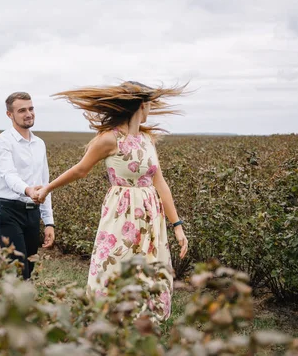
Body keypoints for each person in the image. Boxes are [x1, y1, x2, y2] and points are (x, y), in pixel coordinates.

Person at [32, 81, 188, 321]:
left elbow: (161, 183)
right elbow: (80, 170)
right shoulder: (109, 139)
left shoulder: (148, 140)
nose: (150, 111)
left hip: (150, 215)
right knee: (114, 264)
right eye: (149, 106)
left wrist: (177, 225)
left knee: (149, 268)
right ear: (141, 106)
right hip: (121, 212)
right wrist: (47, 189)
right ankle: (108, 321)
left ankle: (142, 325)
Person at [0, 92, 55, 280]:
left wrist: (49, 222)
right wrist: (28, 190)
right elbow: (9, 175)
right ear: (10, 115)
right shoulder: (1, 142)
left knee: (30, 266)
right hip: (8, 212)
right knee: (18, 270)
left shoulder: (39, 144)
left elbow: (45, 183)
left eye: (31, 109)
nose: (29, 114)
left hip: (32, 213)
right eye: (22, 110)